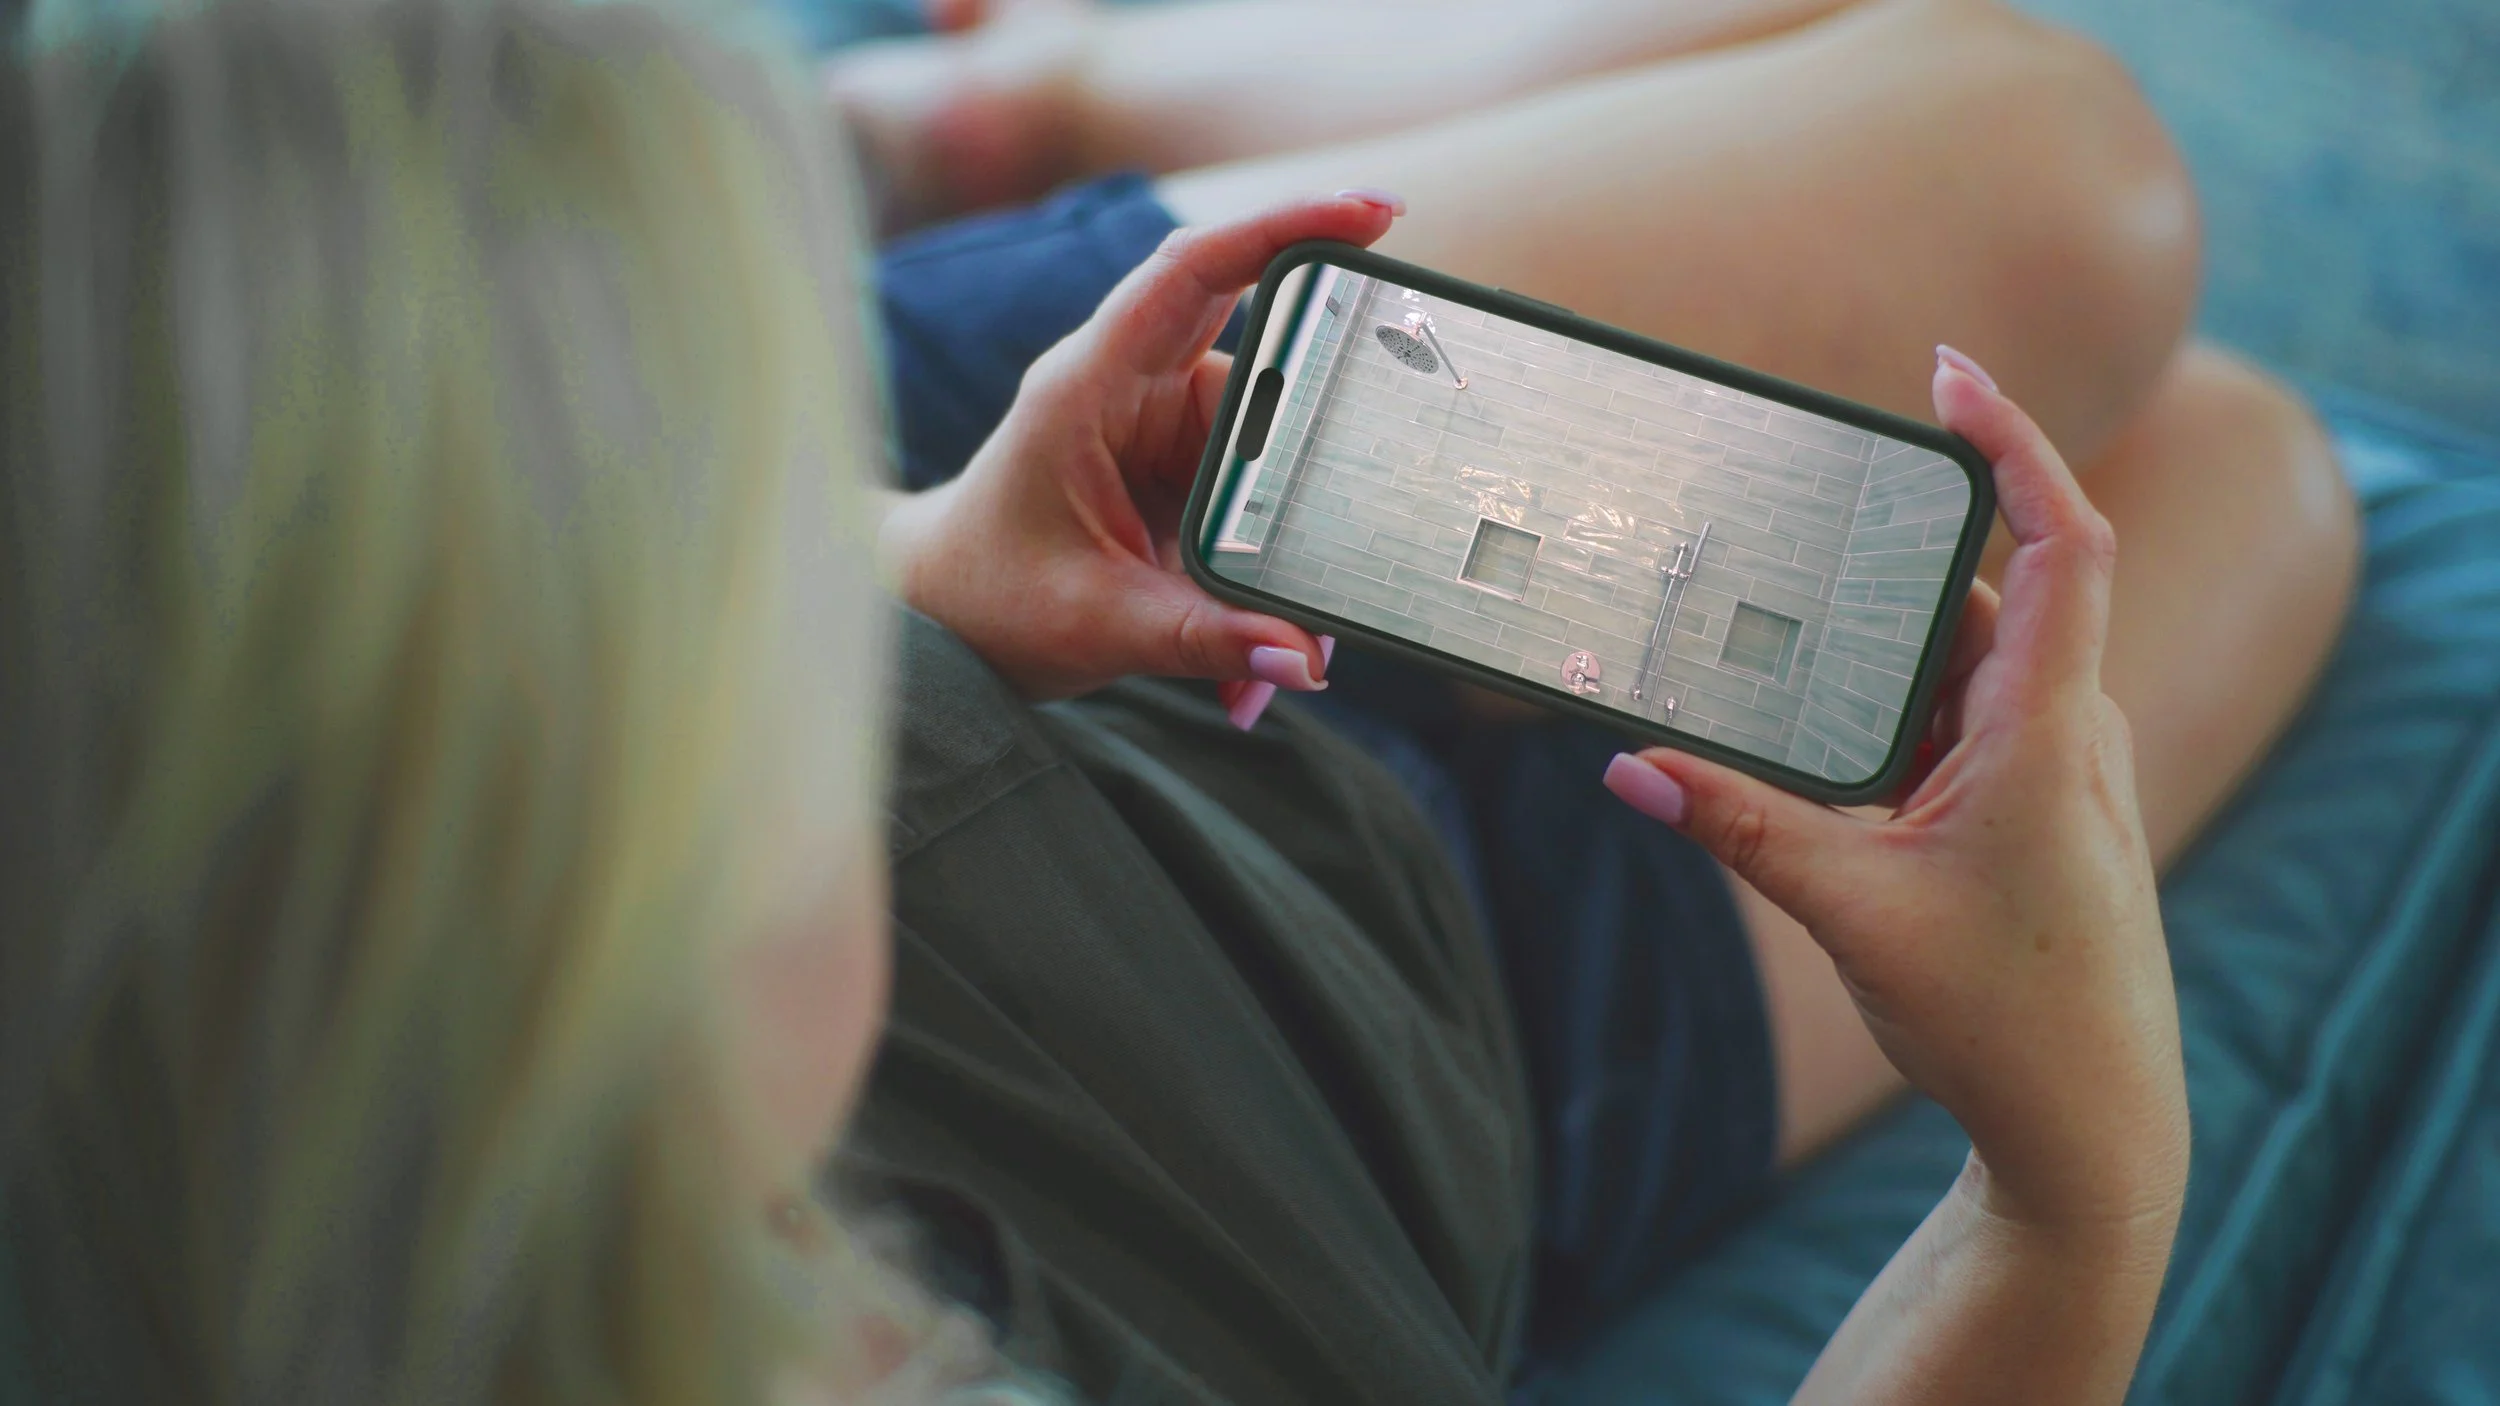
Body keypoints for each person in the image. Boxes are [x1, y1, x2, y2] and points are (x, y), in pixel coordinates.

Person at [0, 2, 2295, 1405]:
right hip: (1420, 1043)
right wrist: (2061, 1204)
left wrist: (890, 548)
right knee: (2249, 470)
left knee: (2063, 169)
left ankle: (973, 116)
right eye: (775, 647)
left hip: (1056, 507)